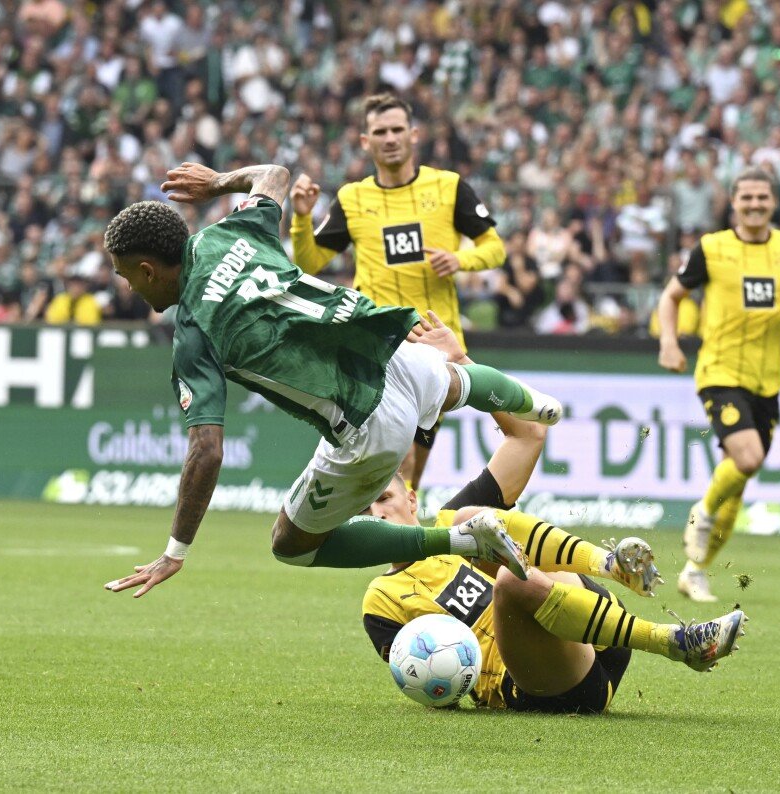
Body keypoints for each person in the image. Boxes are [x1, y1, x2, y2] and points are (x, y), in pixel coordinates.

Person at [101, 162, 561, 598]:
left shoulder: (194, 335)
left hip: (365, 423)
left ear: (148, 270)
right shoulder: (231, 230)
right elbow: (274, 175)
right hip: (389, 349)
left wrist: (175, 550)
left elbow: (207, 450)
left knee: (290, 544)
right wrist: (220, 182)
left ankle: (463, 541)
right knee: (457, 382)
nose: (129, 289)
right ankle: (538, 404)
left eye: (127, 277)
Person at [362, 315, 746, 714]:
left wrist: (461, 361)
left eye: (383, 497)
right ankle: (674, 641)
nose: (376, 511)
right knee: (510, 578)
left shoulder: (449, 519)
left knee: (470, 522)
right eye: (364, 507)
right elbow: (428, 687)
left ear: (410, 499)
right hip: (543, 683)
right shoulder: (381, 601)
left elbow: (529, 433)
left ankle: (608, 564)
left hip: (595, 627)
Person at [288, 93, 506, 492]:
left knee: (411, 474)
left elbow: (495, 247)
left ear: (414, 135)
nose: (390, 138)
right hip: (377, 344)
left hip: (434, 342)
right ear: (364, 141)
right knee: (396, 463)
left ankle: (399, 539)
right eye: (380, 132)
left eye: (397, 130)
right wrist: (301, 217)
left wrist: (460, 259)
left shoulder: (448, 187)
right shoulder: (353, 198)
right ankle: (387, 533)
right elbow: (310, 261)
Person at [657, 167, 780, 603]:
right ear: (733, 203)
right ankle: (703, 511)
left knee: (740, 477)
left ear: (773, 203)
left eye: (761, 198)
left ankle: (695, 571)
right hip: (720, 372)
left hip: (769, 381)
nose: (754, 205)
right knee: (747, 458)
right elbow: (670, 296)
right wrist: (669, 342)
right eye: (746, 197)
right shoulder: (712, 249)